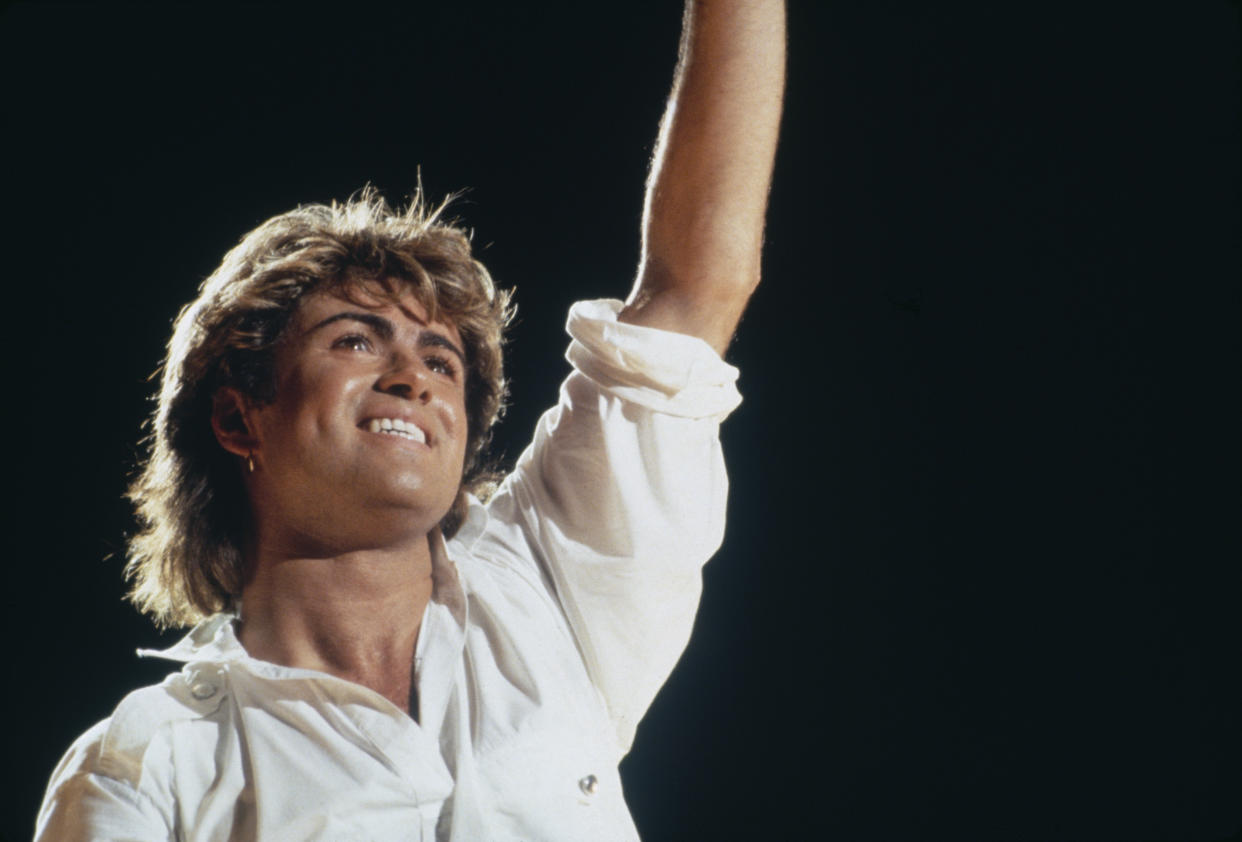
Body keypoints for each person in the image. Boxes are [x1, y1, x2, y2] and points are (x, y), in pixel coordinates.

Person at [34, 1, 785, 838]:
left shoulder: (546, 590)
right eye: (355, 340)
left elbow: (693, 288)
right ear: (238, 419)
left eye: (441, 361)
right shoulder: (146, 765)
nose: (412, 380)